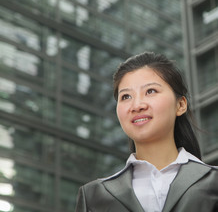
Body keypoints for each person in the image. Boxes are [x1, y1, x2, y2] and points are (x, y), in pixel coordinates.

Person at [75, 52, 218, 212]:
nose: (137, 105)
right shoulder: (94, 196)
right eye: (126, 96)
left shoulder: (213, 181)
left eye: (150, 91)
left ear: (180, 105)